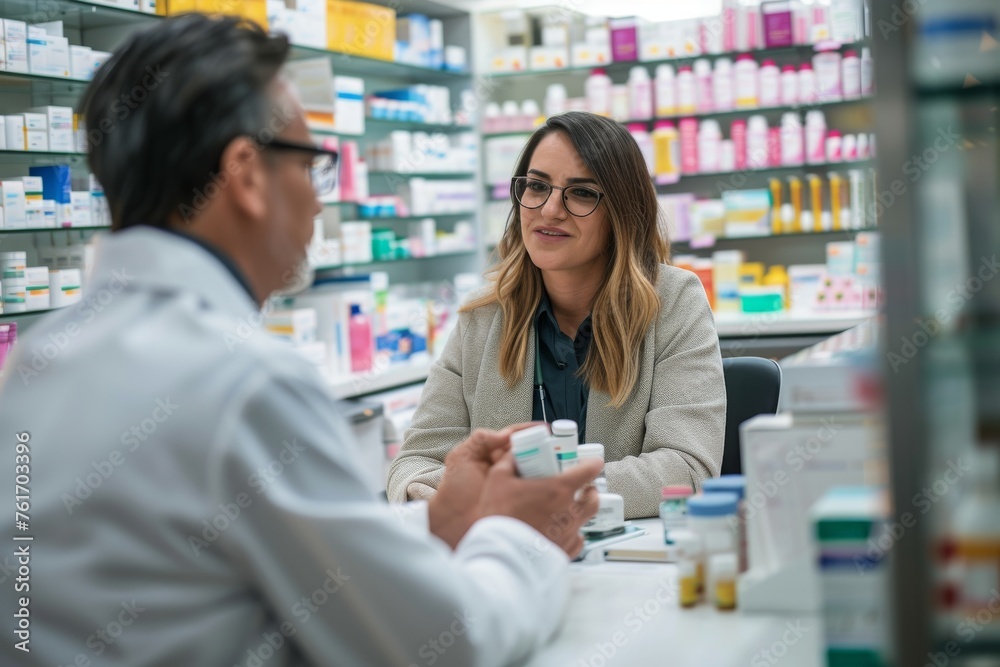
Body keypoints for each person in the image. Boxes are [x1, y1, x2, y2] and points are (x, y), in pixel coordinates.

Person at [0, 15, 603, 667]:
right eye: (313, 165)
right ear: (247, 174)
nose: (319, 205)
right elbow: (450, 644)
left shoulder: (38, 359)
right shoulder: (241, 379)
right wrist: (518, 534)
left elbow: (237, 566)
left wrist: (435, 524)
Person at [387, 111, 726, 519]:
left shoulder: (672, 303)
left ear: (622, 211)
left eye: (581, 193)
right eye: (536, 186)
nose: (549, 210)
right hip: (501, 561)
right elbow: (414, 465)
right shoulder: (482, 316)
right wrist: (439, 497)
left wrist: (533, 496)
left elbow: (686, 469)